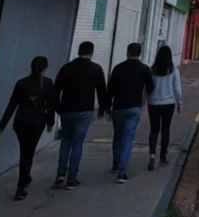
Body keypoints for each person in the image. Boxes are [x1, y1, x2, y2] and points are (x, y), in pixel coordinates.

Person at [0, 56, 55, 200]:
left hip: (21, 122)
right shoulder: (47, 84)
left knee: (25, 151)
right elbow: (51, 106)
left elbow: (12, 105)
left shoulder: (21, 83)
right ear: (45, 68)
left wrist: (1, 125)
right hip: (37, 122)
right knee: (29, 152)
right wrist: (50, 122)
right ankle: (21, 186)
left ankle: (25, 178)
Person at [53, 41, 108, 190]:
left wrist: (57, 107)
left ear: (78, 51)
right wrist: (103, 108)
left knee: (66, 140)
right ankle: (72, 178)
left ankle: (60, 175)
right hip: (84, 110)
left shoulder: (66, 68)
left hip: (66, 109)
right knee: (77, 143)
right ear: (91, 52)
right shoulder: (96, 69)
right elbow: (102, 90)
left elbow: (56, 89)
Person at [106, 42, 155, 183]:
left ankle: (115, 164)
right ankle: (122, 171)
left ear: (127, 52)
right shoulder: (144, 69)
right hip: (134, 107)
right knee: (128, 138)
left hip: (118, 107)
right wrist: (144, 101)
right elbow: (150, 87)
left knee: (118, 136)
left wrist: (107, 108)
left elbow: (110, 90)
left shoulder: (118, 68)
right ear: (140, 53)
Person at [146, 45, 182, 169]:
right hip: (168, 104)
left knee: (154, 130)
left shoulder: (153, 70)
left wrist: (147, 101)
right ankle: (162, 157)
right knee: (165, 130)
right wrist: (179, 103)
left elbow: (149, 88)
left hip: (154, 103)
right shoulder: (173, 70)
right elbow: (177, 89)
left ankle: (151, 155)